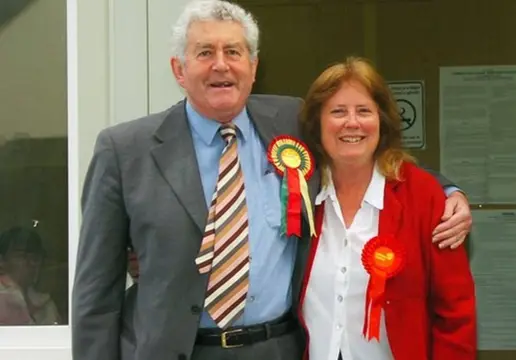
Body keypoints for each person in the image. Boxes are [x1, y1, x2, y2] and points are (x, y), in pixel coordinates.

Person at [72, 1, 472, 360]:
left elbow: (360, 152)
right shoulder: (125, 151)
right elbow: (96, 292)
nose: (221, 65)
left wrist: (447, 191)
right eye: (205, 53)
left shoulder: (291, 123)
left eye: (234, 52)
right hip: (174, 350)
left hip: (277, 347)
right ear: (179, 69)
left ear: (254, 65)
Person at [297, 57, 477, 360]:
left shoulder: (423, 195)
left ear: (382, 120)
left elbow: (456, 312)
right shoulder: (298, 193)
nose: (352, 123)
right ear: (318, 124)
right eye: (338, 111)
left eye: (364, 111)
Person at [0, 226, 61, 325]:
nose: (32, 263)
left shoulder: (46, 304)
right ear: (2, 261)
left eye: (35, 257)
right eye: (22, 256)